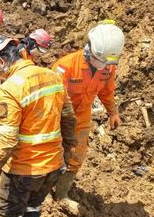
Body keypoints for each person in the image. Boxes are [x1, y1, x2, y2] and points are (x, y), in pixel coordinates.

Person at [0, 35, 76, 217]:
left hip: (23, 170)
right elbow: (68, 118)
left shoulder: (9, 89)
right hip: (52, 167)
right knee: (32, 208)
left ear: (2, 62)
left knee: (7, 210)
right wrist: (66, 153)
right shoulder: (53, 76)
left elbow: (7, 140)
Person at [51, 20, 125, 210]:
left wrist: (112, 112)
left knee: (77, 155)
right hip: (57, 116)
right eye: (101, 62)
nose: (104, 67)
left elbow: (107, 91)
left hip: (82, 116)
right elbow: (53, 99)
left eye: (107, 64)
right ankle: (41, 190)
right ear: (89, 49)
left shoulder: (107, 67)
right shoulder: (65, 67)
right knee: (51, 150)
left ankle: (61, 194)